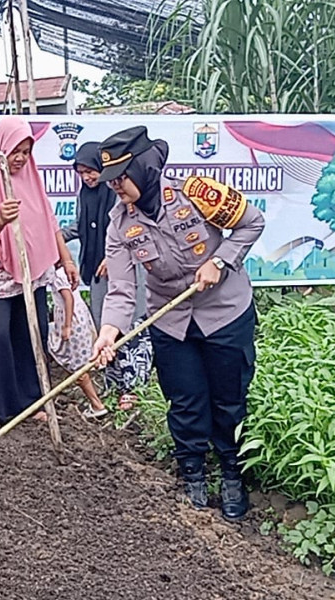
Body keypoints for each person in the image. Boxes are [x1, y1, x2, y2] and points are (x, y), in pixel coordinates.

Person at [92, 126, 265, 521]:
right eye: (110, 180)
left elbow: (252, 223)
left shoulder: (198, 193)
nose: (115, 186)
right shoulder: (119, 224)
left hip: (225, 311)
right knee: (185, 400)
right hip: (170, 320)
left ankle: (232, 474)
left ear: (145, 168)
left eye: (121, 177)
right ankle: (193, 475)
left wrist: (219, 261)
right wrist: (109, 332)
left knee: (229, 398)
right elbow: (120, 288)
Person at [0, 116, 79, 430]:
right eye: (15, 151)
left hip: (29, 270)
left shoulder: (30, 180)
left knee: (30, 333)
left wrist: (66, 260)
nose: (20, 158)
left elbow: (49, 223)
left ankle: (32, 400)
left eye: (26, 151)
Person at [65, 141, 151, 410]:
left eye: (90, 171)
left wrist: (111, 257)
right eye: (81, 172)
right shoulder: (84, 195)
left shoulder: (116, 192)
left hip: (125, 268)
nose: (87, 177)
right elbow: (80, 226)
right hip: (96, 270)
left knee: (132, 321)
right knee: (106, 323)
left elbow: (132, 225)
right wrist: (52, 237)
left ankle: (133, 386)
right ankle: (114, 381)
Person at [46, 267, 107, 418]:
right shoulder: (66, 272)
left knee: (78, 368)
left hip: (72, 321)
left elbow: (68, 299)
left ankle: (96, 404)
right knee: (74, 362)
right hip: (78, 318)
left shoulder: (59, 275)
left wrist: (67, 326)